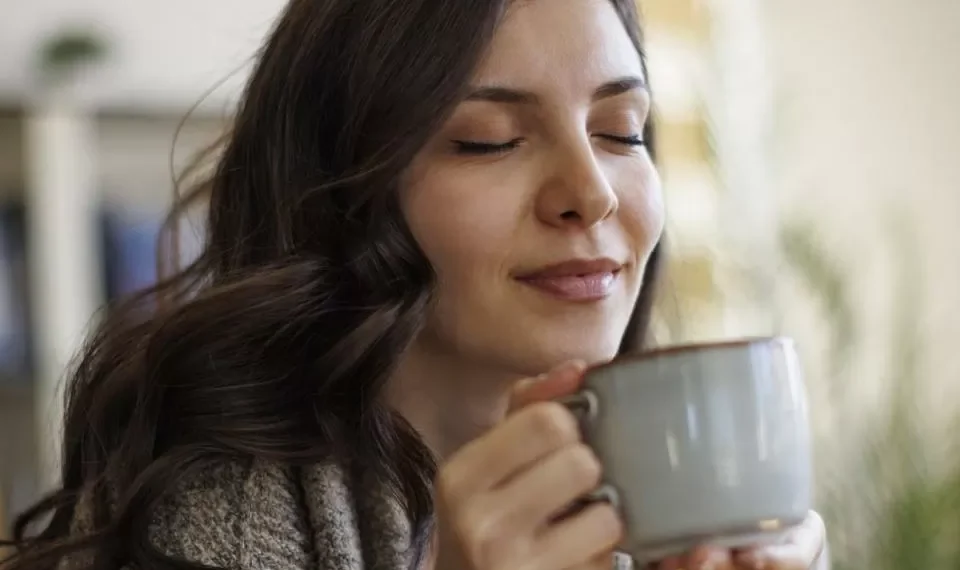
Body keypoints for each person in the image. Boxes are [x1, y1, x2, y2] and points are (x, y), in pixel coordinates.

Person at [4, 0, 828, 569]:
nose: (593, 191)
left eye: (622, 131)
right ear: (342, 197)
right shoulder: (200, 529)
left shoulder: (662, 514)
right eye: (489, 140)